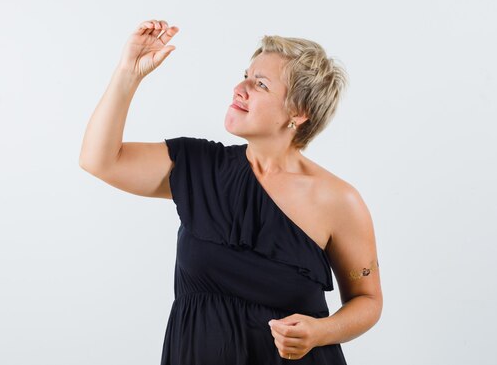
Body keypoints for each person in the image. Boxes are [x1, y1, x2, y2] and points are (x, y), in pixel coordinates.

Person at [80, 19, 383, 364]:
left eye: (261, 84)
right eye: (245, 75)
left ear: (298, 113)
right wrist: (128, 73)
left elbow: (368, 301)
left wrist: (319, 332)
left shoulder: (339, 201)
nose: (240, 87)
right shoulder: (198, 166)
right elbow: (99, 160)